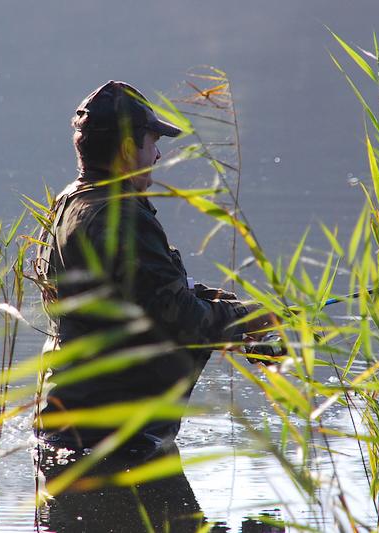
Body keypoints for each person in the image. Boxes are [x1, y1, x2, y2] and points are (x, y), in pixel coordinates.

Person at [33, 80, 273, 452]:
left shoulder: (71, 202)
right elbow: (178, 317)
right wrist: (250, 318)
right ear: (129, 148)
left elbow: (145, 295)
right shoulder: (120, 215)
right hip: (113, 435)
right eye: (153, 143)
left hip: (67, 422)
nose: (158, 156)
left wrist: (233, 310)